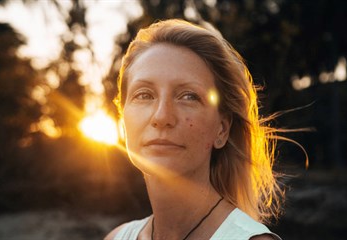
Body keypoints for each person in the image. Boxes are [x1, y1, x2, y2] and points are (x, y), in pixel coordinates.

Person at [105, 19, 284, 240]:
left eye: (188, 96)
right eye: (144, 95)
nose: (162, 116)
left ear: (222, 129)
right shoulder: (117, 237)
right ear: (123, 120)